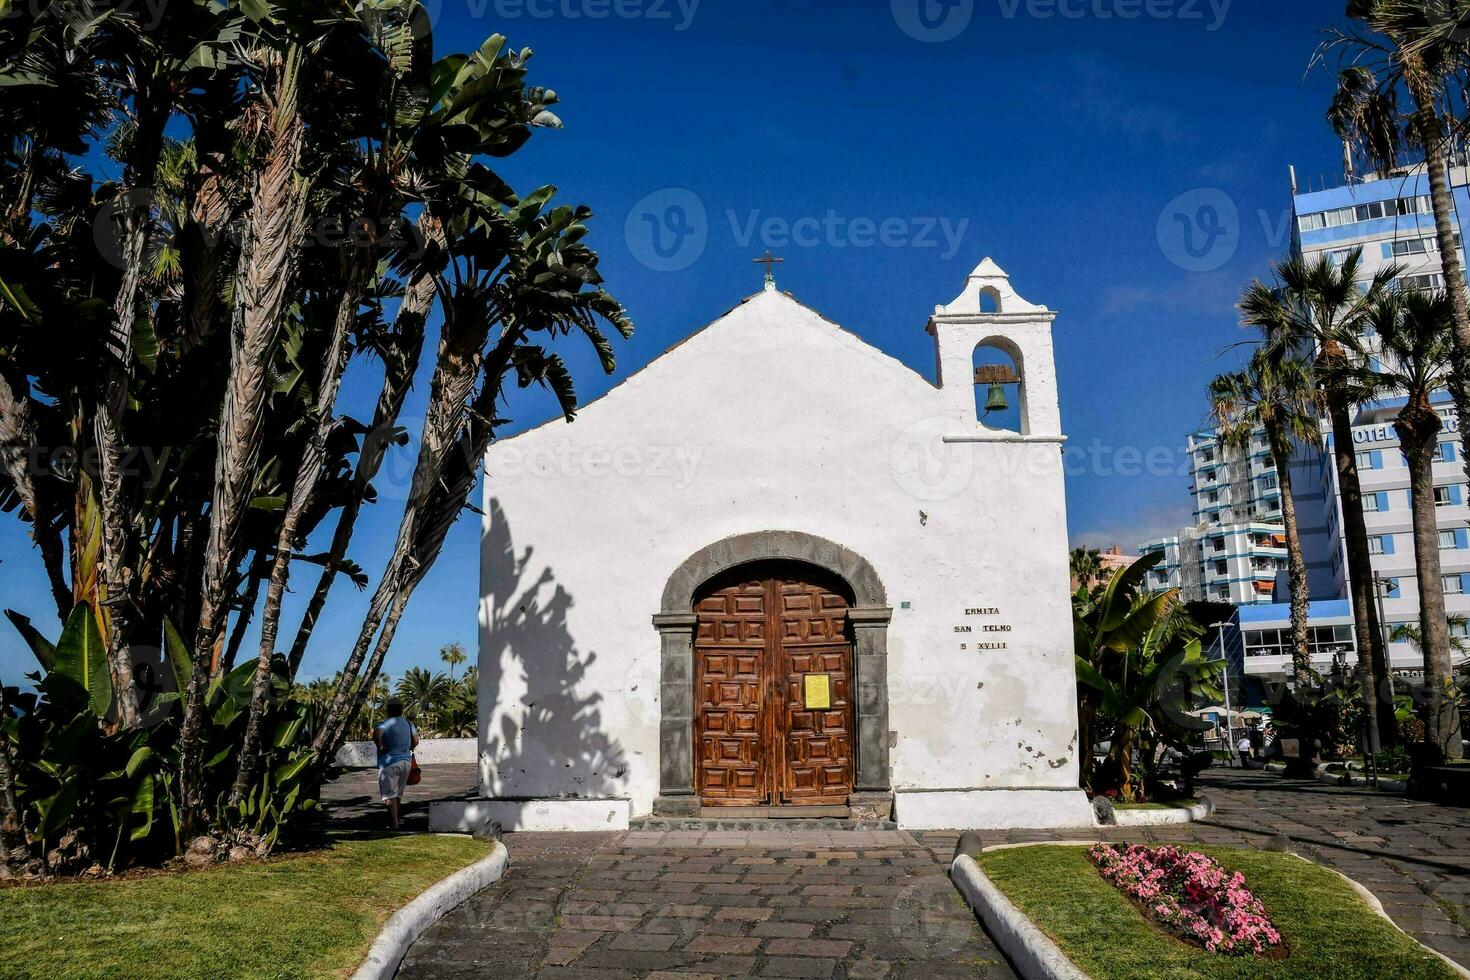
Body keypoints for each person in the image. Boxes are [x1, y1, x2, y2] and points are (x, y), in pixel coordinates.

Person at [373, 698, 418, 830]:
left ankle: (394, 824)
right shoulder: (409, 723)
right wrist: (407, 747)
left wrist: (380, 747)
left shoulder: (385, 723)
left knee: (389, 796)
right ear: (401, 709)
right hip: (406, 762)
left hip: (389, 763)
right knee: (397, 795)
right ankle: (395, 820)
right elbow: (415, 741)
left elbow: (376, 734)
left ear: (388, 709)